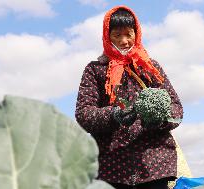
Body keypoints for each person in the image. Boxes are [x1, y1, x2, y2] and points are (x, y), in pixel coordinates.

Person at [75, 5, 183, 189]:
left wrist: (158, 118)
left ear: (137, 33)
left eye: (129, 34)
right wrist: (114, 115)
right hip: (111, 167)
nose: (125, 41)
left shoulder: (150, 67)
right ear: (107, 37)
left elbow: (177, 110)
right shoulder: (95, 70)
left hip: (155, 165)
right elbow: (83, 114)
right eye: (117, 35)